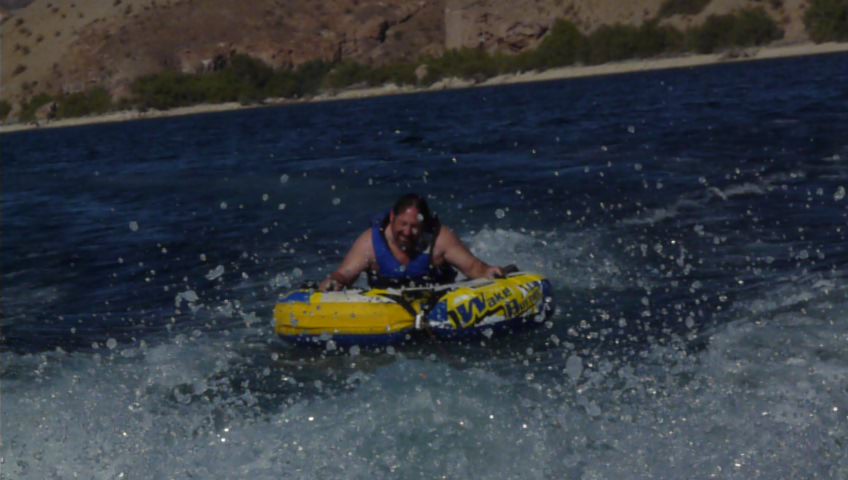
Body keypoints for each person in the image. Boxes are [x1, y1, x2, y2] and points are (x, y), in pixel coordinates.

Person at [319, 193, 504, 291]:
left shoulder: (440, 240)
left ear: (425, 225)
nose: (407, 232)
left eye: (415, 226)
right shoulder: (369, 243)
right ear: (392, 217)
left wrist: (488, 271)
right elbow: (345, 274)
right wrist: (335, 281)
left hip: (437, 299)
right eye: (403, 224)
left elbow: (473, 267)